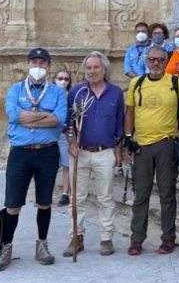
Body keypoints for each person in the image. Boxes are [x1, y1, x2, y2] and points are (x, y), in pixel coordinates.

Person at [0, 48, 67, 272]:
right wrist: (44, 116)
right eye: (34, 62)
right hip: (21, 153)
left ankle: (41, 245)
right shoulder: (15, 90)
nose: (38, 66)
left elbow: (59, 119)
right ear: (27, 64)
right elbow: (15, 115)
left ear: (48, 66)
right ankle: (6, 247)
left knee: (44, 201)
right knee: (12, 203)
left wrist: (30, 118)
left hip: (47, 152)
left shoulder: (57, 92)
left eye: (42, 63)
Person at [124, 46, 179, 256]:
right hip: (142, 144)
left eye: (160, 60)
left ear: (166, 61)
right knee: (141, 193)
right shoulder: (136, 83)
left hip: (166, 143)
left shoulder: (176, 83)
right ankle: (137, 239)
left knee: (167, 192)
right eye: (152, 60)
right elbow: (130, 112)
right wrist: (127, 138)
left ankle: (168, 237)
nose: (156, 64)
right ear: (146, 61)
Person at [63, 51, 125, 258]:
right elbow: (68, 121)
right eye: (88, 68)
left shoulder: (115, 93)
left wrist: (118, 148)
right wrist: (71, 140)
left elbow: (119, 123)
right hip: (79, 152)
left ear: (104, 69)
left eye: (95, 67)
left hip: (104, 152)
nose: (91, 71)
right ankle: (76, 236)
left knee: (105, 197)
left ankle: (106, 237)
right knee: (77, 198)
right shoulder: (77, 93)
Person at [53, 70, 72, 207]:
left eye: (66, 79)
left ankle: (65, 194)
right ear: (54, 79)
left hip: (65, 134)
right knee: (50, 165)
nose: (63, 81)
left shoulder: (70, 96)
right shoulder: (49, 95)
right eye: (60, 78)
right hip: (51, 133)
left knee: (66, 165)